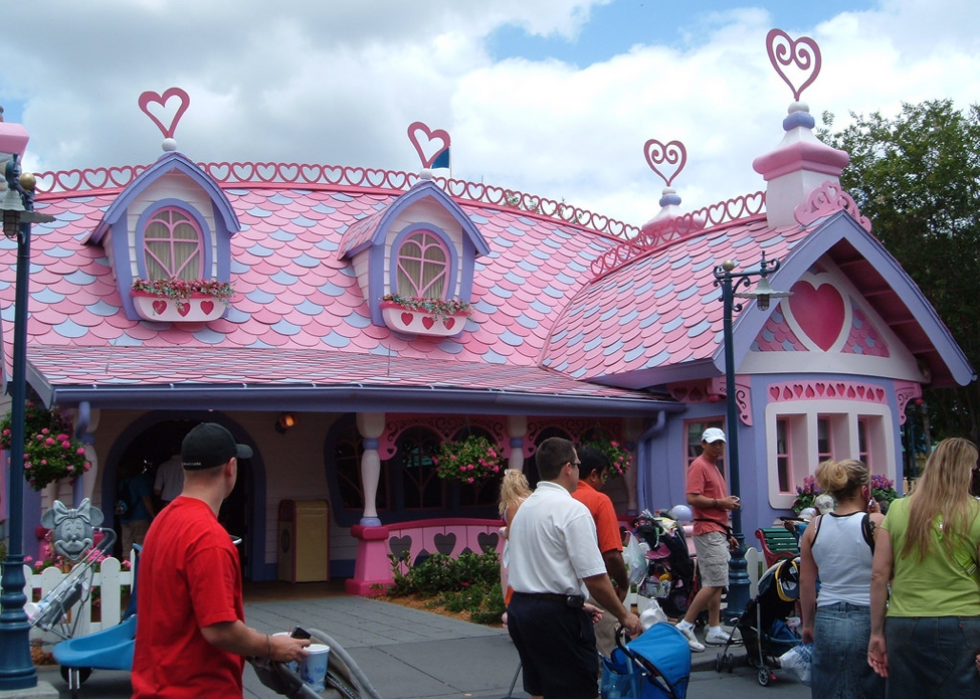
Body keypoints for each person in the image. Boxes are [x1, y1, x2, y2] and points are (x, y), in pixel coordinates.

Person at [131, 422, 310, 699]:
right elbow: (219, 629)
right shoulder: (209, 538)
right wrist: (272, 647)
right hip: (199, 691)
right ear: (231, 468)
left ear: (184, 469)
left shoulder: (162, 522)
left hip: (154, 687)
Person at [507, 437, 642, 699]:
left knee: (541, 690)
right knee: (578, 689)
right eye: (577, 464)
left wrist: (576, 603)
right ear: (568, 467)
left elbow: (538, 566)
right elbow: (595, 578)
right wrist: (624, 615)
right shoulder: (572, 510)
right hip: (554, 618)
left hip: (521, 610)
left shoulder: (525, 509)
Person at [868, 437, 980, 698]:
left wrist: (876, 632)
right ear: (966, 471)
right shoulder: (975, 513)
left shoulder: (897, 509)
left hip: (905, 622)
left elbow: (878, 575)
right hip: (963, 621)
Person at [799, 459, 885, 699]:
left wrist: (808, 624)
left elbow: (806, 583)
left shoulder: (814, 527)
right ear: (865, 490)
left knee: (829, 689)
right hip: (867, 613)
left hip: (827, 614)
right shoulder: (875, 523)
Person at [674, 427, 741, 652]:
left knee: (715, 580)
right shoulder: (700, 465)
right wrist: (720, 504)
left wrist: (726, 530)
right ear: (703, 443)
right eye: (713, 443)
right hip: (709, 529)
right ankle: (686, 624)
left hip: (716, 529)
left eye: (720, 443)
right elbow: (691, 497)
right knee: (715, 581)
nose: (718, 446)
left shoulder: (712, 466)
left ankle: (713, 628)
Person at [572, 444, 629, 657]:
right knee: (606, 655)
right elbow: (612, 554)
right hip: (594, 589)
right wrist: (623, 583)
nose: (604, 483)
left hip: (558, 591)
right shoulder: (599, 500)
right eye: (604, 476)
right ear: (593, 474)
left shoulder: (558, 499)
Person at [498, 468, 532, 624]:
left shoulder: (513, 505)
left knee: (511, 580)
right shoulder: (532, 500)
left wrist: (503, 531)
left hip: (515, 550)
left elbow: (512, 532)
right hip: (531, 546)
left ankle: (514, 616)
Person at [118, 461, 156, 555]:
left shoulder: (123, 481)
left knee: (126, 547)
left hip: (124, 517)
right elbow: (146, 499)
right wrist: (153, 515)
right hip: (140, 517)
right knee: (141, 546)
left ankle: (127, 566)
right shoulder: (140, 480)